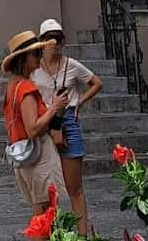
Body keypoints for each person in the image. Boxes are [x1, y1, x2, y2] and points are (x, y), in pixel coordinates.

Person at [32, 18, 103, 237]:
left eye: (57, 37)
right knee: (44, 189)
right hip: (44, 123)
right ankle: (49, 233)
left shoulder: (71, 65)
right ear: (42, 42)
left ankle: (81, 236)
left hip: (68, 122)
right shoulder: (34, 68)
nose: (53, 42)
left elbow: (96, 83)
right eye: (49, 38)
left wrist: (79, 101)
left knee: (74, 187)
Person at [2, 30, 70, 220]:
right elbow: (32, 128)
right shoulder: (26, 87)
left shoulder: (12, 86)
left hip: (23, 154)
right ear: (23, 58)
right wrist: (54, 107)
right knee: (45, 213)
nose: (40, 58)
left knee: (42, 212)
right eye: (36, 54)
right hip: (38, 153)